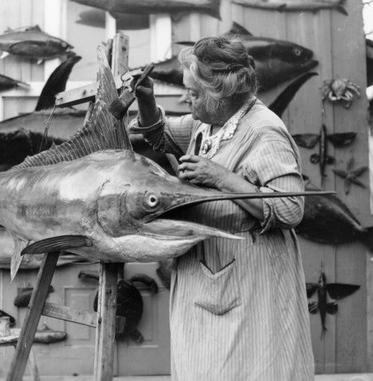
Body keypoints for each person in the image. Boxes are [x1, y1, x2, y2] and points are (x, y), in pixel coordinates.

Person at [128, 35, 314, 380]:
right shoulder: (208, 124)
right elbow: (159, 135)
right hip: (211, 282)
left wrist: (220, 177)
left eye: (194, 93)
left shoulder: (265, 132)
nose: (187, 99)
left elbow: (290, 209)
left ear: (221, 94)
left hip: (249, 285)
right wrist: (146, 99)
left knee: (249, 370)